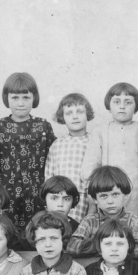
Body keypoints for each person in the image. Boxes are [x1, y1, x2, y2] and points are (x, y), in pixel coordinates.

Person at [0, 72, 56, 234]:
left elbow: (53, 160)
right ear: (7, 98)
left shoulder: (43, 127)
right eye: (15, 97)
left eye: (26, 97)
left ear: (34, 98)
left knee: (37, 233)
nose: (20, 103)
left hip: (36, 193)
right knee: (7, 234)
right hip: (7, 193)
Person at [80, 82, 138, 216]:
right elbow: (90, 165)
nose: (122, 106)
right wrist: (93, 196)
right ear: (109, 106)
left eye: (128, 102)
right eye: (116, 102)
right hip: (106, 192)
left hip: (135, 194)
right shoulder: (100, 132)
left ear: (136, 107)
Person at [68, 166, 138, 260]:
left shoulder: (132, 220)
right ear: (95, 199)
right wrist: (107, 244)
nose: (110, 201)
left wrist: (101, 247)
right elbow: (72, 247)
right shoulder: (90, 221)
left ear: (125, 195)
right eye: (104, 196)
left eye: (115, 194)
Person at [45, 93, 95, 224]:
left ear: (87, 114)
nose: (75, 117)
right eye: (68, 113)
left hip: (86, 200)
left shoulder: (94, 142)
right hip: (61, 199)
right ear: (62, 117)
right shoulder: (57, 144)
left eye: (79, 111)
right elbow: (49, 177)